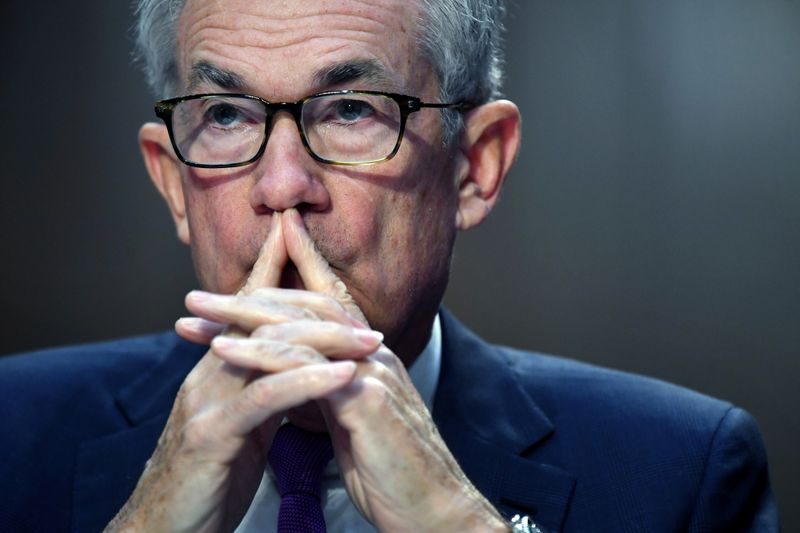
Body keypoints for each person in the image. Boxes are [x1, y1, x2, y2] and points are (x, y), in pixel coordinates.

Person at [0, 0, 779, 531]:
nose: (282, 188)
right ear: (173, 182)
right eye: (227, 116)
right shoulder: (12, 434)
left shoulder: (684, 473)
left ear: (475, 166)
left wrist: (454, 520)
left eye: (350, 110)